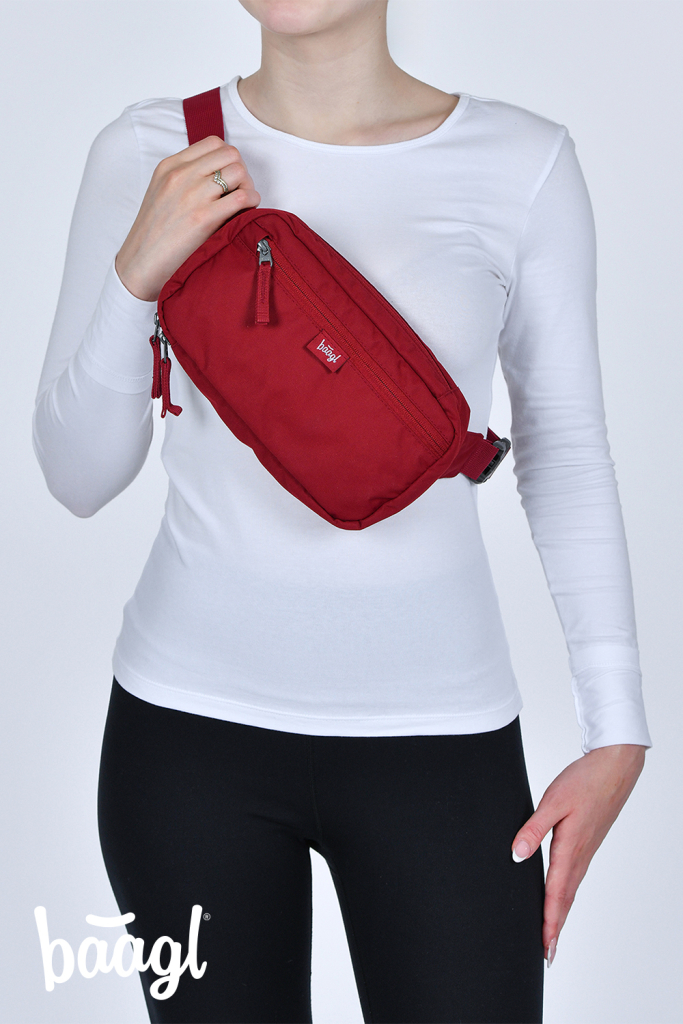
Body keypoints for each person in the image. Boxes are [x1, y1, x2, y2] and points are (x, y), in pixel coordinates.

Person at [32, 1, 652, 1021]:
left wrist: (615, 727)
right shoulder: (149, 151)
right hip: (185, 740)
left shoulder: (522, 164)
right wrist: (135, 275)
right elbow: (78, 476)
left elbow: (565, 449)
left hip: (440, 744)